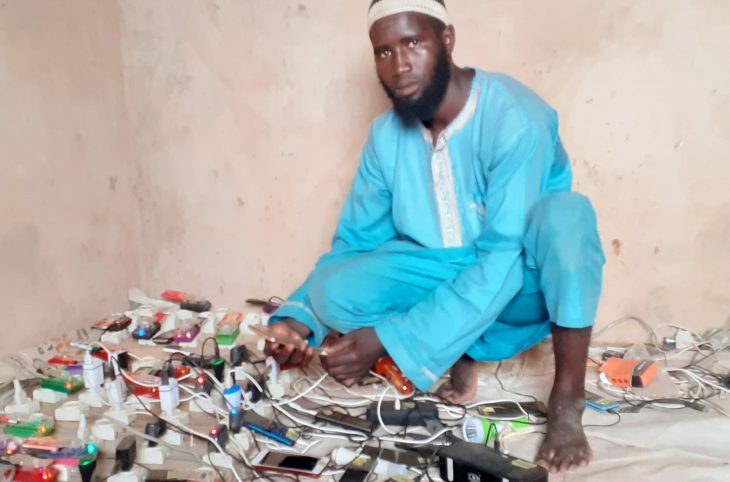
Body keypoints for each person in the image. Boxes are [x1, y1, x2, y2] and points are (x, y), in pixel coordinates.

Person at [264, 0, 605, 474]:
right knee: (333, 289)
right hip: (443, 276)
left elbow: (503, 257)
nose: (398, 65)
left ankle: (568, 398)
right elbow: (354, 245)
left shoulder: (515, 116)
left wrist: (387, 338)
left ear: (446, 40)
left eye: (412, 43)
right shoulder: (385, 136)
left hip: (520, 284)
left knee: (568, 218)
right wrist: (299, 321)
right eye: (383, 52)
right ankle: (459, 346)